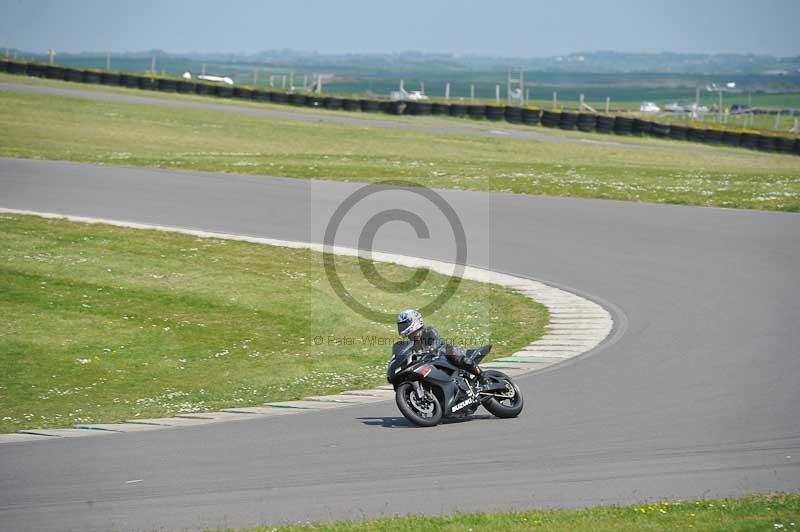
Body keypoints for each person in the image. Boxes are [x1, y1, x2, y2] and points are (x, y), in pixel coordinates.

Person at [396, 309, 483, 382]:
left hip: (444, 354)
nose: (403, 329)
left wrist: (429, 350)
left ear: (414, 322)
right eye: (401, 326)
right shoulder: (412, 343)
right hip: (431, 364)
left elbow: (436, 343)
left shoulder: (428, 331)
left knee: (452, 352)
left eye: (404, 325)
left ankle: (481, 376)